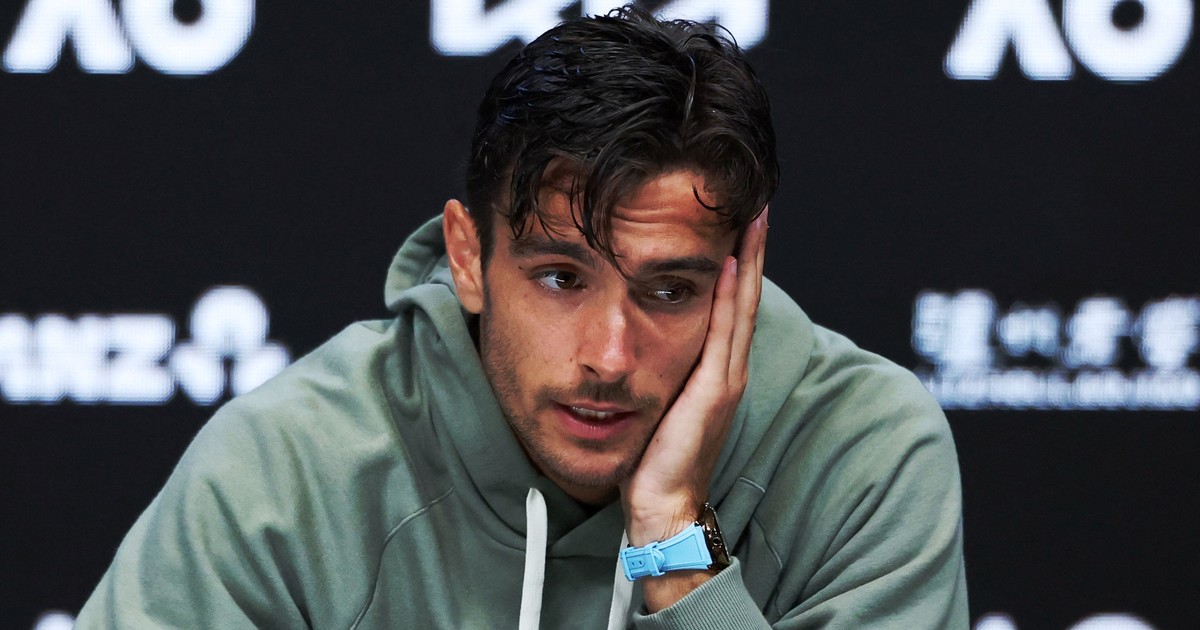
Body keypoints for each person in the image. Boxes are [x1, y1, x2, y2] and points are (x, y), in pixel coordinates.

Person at [76, 5, 967, 628]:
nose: (609, 356)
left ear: (740, 280)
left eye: (668, 291)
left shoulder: (864, 456)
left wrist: (673, 541)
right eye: (560, 278)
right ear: (468, 258)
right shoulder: (289, 469)